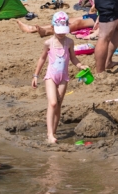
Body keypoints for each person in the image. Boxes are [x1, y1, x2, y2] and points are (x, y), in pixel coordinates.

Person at [31, 12, 86, 143]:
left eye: (64, 31)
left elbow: (73, 57)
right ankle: (49, 134)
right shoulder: (48, 43)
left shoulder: (69, 42)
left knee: (59, 104)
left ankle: (54, 132)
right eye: (59, 31)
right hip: (51, 76)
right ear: (52, 27)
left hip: (63, 78)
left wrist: (80, 65)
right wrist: (35, 75)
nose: (61, 34)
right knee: (53, 103)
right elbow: (42, 58)